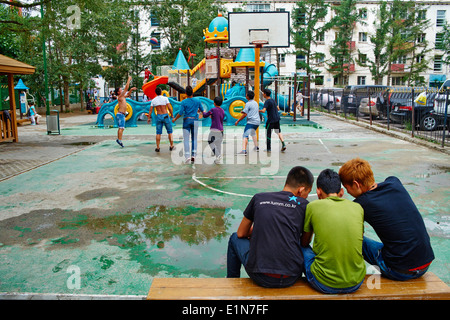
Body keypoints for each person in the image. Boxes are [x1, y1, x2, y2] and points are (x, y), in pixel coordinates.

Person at [338, 158, 435, 281]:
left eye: (347, 188)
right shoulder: (394, 182)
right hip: (425, 263)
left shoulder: (361, 204)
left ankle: (345, 276)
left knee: (349, 237)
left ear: (356, 184)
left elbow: (355, 234)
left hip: (399, 271)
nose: (347, 192)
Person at [227, 166, 314, 288]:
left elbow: (241, 233)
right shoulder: (305, 205)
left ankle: (230, 283)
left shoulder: (259, 198)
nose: (306, 197)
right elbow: (304, 241)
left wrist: (259, 230)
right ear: (301, 189)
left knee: (234, 238)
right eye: (308, 193)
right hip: (292, 276)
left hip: (260, 276)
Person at [301, 169, 366, 294]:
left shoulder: (313, 206)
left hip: (323, 283)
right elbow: (360, 239)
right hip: (356, 282)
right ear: (341, 192)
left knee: (298, 245)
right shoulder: (357, 207)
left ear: (318, 192)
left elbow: (304, 242)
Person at [172, 85, 204, 163]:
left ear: (186, 93)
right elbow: (202, 110)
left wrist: (175, 119)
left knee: (186, 139)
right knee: (194, 138)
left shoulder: (184, 102)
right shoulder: (198, 100)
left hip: (186, 121)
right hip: (195, 120)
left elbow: (180, 113)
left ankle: (187, 156)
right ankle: (193, 155)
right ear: (192, 92)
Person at [147, 87, 174, 152]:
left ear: (156, 93)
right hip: (165, 116)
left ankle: (158, 147)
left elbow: (150, 110)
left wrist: (148, 118)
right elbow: (169, 107)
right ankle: (171, 145)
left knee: (158, 132)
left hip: (159, 116)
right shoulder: (165, 98)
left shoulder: (153, 100)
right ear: (161, 92)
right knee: (170, 131)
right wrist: (172, 115)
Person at [234, 90, 260, 155]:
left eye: (246, 95)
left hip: (251, 122)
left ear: (247, 96)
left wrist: (237, 121)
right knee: (253, 133)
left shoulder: (248, 104)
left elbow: (245, 114)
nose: (245, 95)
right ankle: (256, 147)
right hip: (257, 121)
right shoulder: (255, 103)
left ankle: (244, 150)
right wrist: (244, 111)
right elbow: (250, 111)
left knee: (245, 135)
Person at [115, 76, 137, 147]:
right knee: (121, 128)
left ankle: (119, 139)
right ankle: (120, 140)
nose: (122, 90)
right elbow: (126, 88)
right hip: (121, 114)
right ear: (118, 92)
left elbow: (128, 94)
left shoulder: (122, 96)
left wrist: (131, 89)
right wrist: (129, 79)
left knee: (121, 128)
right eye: (121, 90)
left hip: (121, 114)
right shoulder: (120, 96)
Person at [202, 96, 225, 164]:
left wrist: (203, 111)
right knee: (218, 144)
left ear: (214, 103)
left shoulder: (213, 110)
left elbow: (205, 115)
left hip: (214, 130)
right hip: (221, 130)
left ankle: (218, 155)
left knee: (210, 141)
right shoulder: (222, 111)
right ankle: (218, 158)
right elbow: (218, 118)